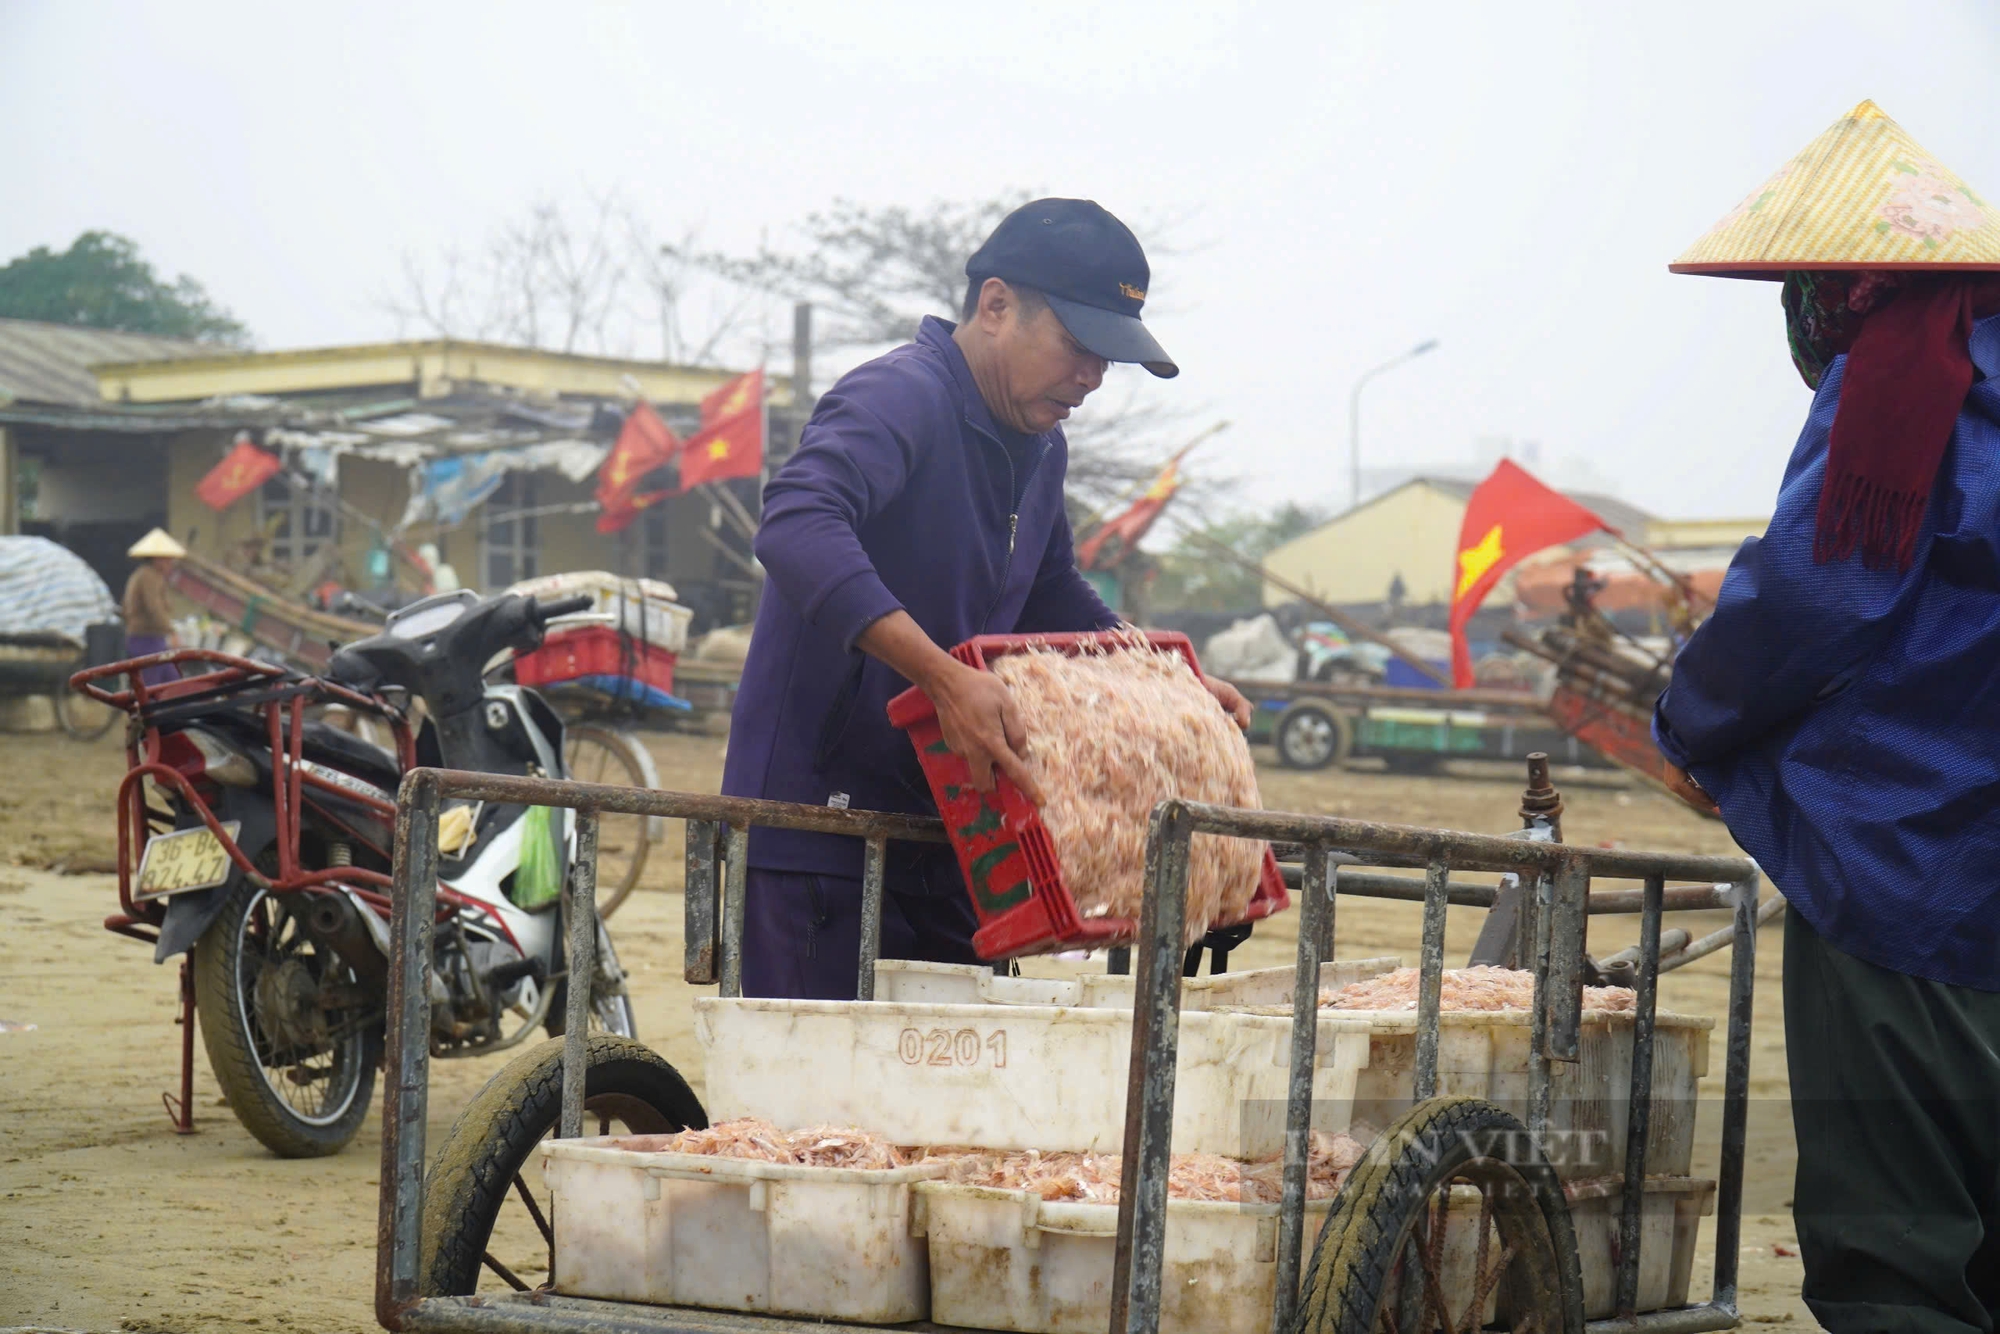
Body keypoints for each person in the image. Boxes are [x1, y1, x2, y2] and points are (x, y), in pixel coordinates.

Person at [1653, 102, 2000, 1333]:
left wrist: (1689, 726)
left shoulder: (1909, 384)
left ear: (1846, 292)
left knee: (1899, 1254)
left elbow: (1811, 589)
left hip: (1904, 866)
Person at [722, 198, 1249, 1000]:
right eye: (1079, 346)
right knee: (813, 1112)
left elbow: (1050, 591)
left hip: (959, 833)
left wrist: (1164, 687)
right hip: (822, 833)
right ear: (996, 306)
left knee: (940, 1108)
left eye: (1109, 360)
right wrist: (941, 678)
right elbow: (797, 523)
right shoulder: (900, 395)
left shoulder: (1040, 446)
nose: (1092, 378)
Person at [122, 528, 186, 687]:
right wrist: (171, 631)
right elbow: (154, 608)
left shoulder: (145, 575)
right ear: (157, 559)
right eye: (168, 560)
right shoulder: (148, 576)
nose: (170, 565)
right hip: (145, 640)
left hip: (154, 640)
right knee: (152, 689)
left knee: (174, 684)